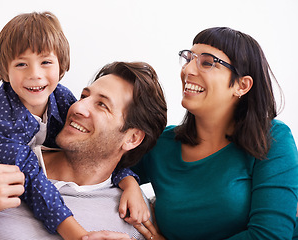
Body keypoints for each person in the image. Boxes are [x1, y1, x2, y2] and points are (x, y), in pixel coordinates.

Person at [0, 12, 139, 237]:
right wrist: (77, 234)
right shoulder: (0, 119)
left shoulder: (62, 100)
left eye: (46, 62)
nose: (35, 75)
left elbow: (98, 149)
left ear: (61, 66)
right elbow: (30, 179)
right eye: (21, 64)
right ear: (5, 72)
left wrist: (128, 181)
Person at [0, 61, 167, 240]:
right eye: (84, 96)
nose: (78, 107)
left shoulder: (136, 216)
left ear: (132, 138)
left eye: (102, 105)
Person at [125, 27, 298, 240]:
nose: (188, 70)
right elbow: (104, 166)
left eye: (207, 62)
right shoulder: (162, 144)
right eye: (188, 58)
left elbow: (270, 236)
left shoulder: (272, 138)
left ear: (242, 85)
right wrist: (129, 182)